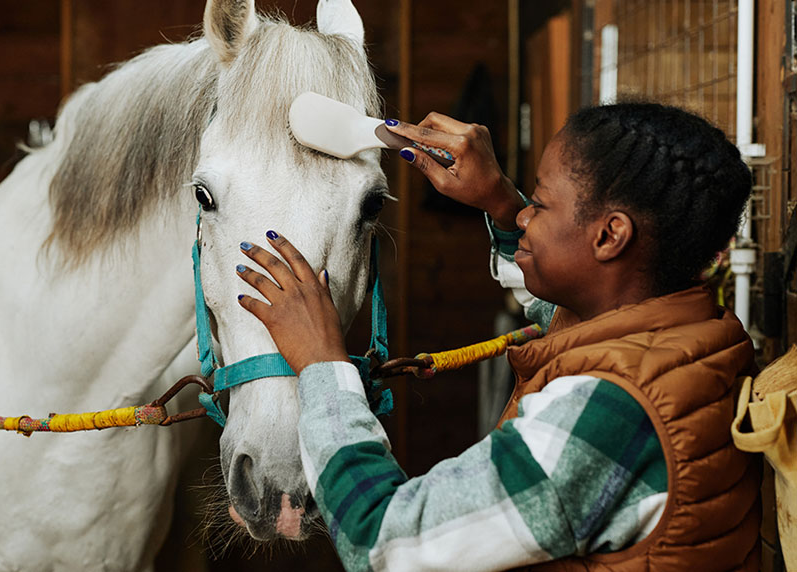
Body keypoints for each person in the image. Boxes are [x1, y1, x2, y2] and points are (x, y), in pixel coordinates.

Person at [234, 102, 760, 571]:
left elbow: (383, 545)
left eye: (543, 204)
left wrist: (322, 365)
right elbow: (564, 312)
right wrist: (501, 202)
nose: (527, 215)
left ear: (609, 235)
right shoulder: (686, 331)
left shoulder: (608, 414)